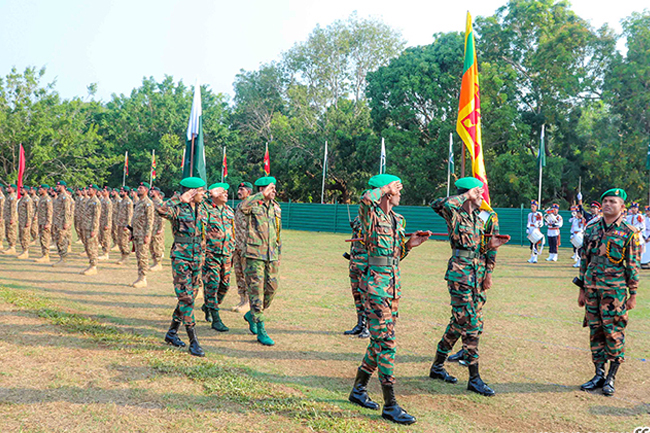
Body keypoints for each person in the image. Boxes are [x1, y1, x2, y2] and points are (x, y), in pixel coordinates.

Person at [347, 174, 428, 425]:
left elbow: (392, 256)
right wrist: (382, 188)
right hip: (375, 289)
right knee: (388, 344)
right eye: (397, 189)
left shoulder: (397, 219)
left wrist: (409, 245)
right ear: (387, 193)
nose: (400, 193)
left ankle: (358, 390)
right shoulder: (370, 216)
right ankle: (390, 404)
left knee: (379, 341)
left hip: (392, 289)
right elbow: (365, 198)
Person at [429, 177, 508, 397]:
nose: (482, 195)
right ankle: (474, 378)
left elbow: (484, 247)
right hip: (460, 274)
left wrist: (489, 261)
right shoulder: (455, 212)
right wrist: (466, 195)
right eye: (478, 191)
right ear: (468, 192)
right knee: (470, 323)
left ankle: (437, 366)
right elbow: (438, 204)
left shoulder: (480, 218)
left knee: (459, 322)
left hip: (477, 273)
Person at [577, 188, 640, 396]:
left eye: (613, 201)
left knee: (614, 333)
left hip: (615, 292)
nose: (607, 204)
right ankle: (598, 374)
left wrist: (633, 294)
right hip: (592, 289)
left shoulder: (629, 232)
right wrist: (581, 290)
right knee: (595, 332)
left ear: (622, 207)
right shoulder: (592, 227)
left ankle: (610, 378)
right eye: (605, 201)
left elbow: (633, 264)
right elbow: (584, 259)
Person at [157, 177, 209, 357]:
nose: (204, 194)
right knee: (186, 299)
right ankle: (193, 341)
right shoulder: (177, 208)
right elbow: (160, 210)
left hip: (197, 259)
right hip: (181, 258)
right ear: (192, 192)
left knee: (190, 297)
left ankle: (171, 333)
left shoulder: (202, 208)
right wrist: (179, 198)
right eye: (201, 191)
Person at [447, 208, 502, 364]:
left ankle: (468, 352)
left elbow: (492, 248)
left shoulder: (488, 216)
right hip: (462, 271)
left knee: (474, 314)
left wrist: (489, 273)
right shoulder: (459, 214)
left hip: (479, 272)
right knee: (462, 314)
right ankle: (465, 350)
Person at [239, 176, 282, 346]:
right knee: (256, 292)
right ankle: (261, 328)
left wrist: (279, 255)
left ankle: (252, 314)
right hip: (254, 254)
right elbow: (243, 206)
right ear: (262, 189)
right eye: (271, 188)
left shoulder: (276, 208)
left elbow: (278, 234)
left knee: (271, 289)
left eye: (274, 188)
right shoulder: (252, 204)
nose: (274, 192)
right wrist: (262, 195)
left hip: (271, 255)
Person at [200, 182, 235, 332]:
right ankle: (216, 318)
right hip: (211, 253)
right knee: (212, 285)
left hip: (226, 253)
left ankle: (209, 305)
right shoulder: (205, 208)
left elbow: (233, 230)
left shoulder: (229, 210)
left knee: (225, 285)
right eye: (222, 192)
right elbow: (195, 201)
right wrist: (209, 193)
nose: (226, 194)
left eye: (226, 192)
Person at [343, 195, 370, 339]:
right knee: (357, 295)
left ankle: (367, 326)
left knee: (366, 295)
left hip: (366, 264)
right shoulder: (357, 219)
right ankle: (360, 323)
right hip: (354, 263)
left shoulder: (373, 220)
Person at [231, 182, 253, 313]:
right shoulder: (239, 205)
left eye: (242, 189)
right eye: (239, 189)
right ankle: (242, 299)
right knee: (239, 274)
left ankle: (249, 302)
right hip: (237, 245)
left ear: (249, 192)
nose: (239, 191)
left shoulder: (251, 205)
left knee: (247, 275)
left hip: (247, 246)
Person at [131, 182, 154, 288]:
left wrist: (147, 235)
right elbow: (134, 219)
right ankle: (139, 276)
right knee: (138, 256)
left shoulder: (148, 203)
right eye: (138, 187)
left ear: (146, 190)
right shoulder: (138, 202)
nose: (138, 189)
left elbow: (150, 220)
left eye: (141, 188)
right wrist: (132, 232)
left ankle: (143, 278)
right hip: (136, 233)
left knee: (143, 256)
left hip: (143, 233)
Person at [81, 184, 102, 275]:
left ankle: (94, 266)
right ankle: (91, 264)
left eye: (90, 189)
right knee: (87, 247)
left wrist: (94, 229)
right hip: (86, 226)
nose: (88, 191)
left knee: (92, 247)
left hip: (91, 228)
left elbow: (96, 217)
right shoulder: (89, 200)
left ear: (94, 191)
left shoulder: (96, 202)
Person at [52, 181, 73, 267]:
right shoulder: (59, 197)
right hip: (57, 222)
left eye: (58, 186)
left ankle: (63, 259)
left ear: (63, 187)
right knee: (58, 240)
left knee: (62, 240)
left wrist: (66, 222)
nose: (56, 187)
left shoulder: (65, 197)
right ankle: (61, 258)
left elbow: (67, 211)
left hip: (62, 222)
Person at [34, 184, 53, 263]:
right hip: (41, 222)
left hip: (45, 222)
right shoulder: (41, 198)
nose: (39, 190)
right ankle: (43, 254)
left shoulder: (47, 199)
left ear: (45, 190)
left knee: (45, 238)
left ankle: (46, 255)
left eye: (40, 189)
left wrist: (48, 223)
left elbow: (49, 212)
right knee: (42, 238)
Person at [115, 186, 134, 265]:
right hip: (120, 224)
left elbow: (130, 214)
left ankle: (126, 257)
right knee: (119, 241)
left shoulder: (128, 202)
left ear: (126, 192)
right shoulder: (121, 201)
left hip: (125, 225)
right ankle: (122, 256)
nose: (120, 193)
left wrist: (128, 225)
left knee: (124, 241)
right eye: (120, 191)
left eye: (122, 191)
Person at [149, 187, 165, 272]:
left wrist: (160, 228)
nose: (151, 192)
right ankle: (154, 262)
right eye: (150, 191)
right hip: (151, 227)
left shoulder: (160, 203)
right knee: (151, 245)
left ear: (157, 192)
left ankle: (159, 263)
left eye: (153, 191)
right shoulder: (151, 202)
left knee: (157, 244)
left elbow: (162, 217)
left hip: (157, 227)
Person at [16, 186, 34, 259]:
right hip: (21, 220)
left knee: (25, 236)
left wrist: (28, 221)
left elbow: (29, 212)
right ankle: (23, 250)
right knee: (21, 236)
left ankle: (26, 251)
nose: (20, 191)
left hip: (25, 221)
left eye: (22, 189)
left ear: (26, 191)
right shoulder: (22, 199)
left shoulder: (28, 200)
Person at [2, 184, 18, 255]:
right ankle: (10, 246)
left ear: (13, 189)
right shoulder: (9, 196)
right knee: (8, 232)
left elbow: (13, 209)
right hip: (7, 217)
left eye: (9, 188)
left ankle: (12, 247)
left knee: (11, 232)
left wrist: (12, 218)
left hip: (11, 217)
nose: (8, 189)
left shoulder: (13, 197)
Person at [98, 187, 113, 261]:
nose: (102, 192)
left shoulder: (108, 202)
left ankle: (106, 254)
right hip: (101, 222)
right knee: (101, 238)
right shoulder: (102, 200)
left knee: (106, 238)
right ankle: (103, 252)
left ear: (108, 192)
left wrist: (107, 224)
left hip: (105, 222)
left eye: (104, 191)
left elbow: (109, 214)